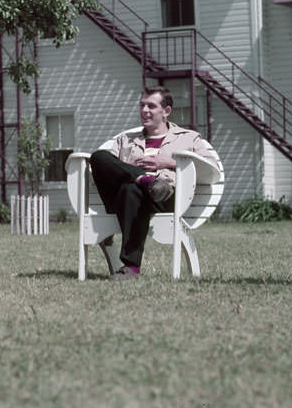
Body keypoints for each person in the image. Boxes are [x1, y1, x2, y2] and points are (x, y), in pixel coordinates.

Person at [89, 86, 219, 281]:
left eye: (151, 106)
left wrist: (168, 163)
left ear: (166, 111)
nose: (144, 110)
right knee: (99, 157)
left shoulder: (188, 138)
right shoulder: (125, 140)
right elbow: (103, 170)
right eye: (142, 105)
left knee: (131, 188)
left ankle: (131, 269)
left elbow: (210, 170)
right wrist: (127, 168)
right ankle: (144, 179)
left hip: (165, 197)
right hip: (121, 199)